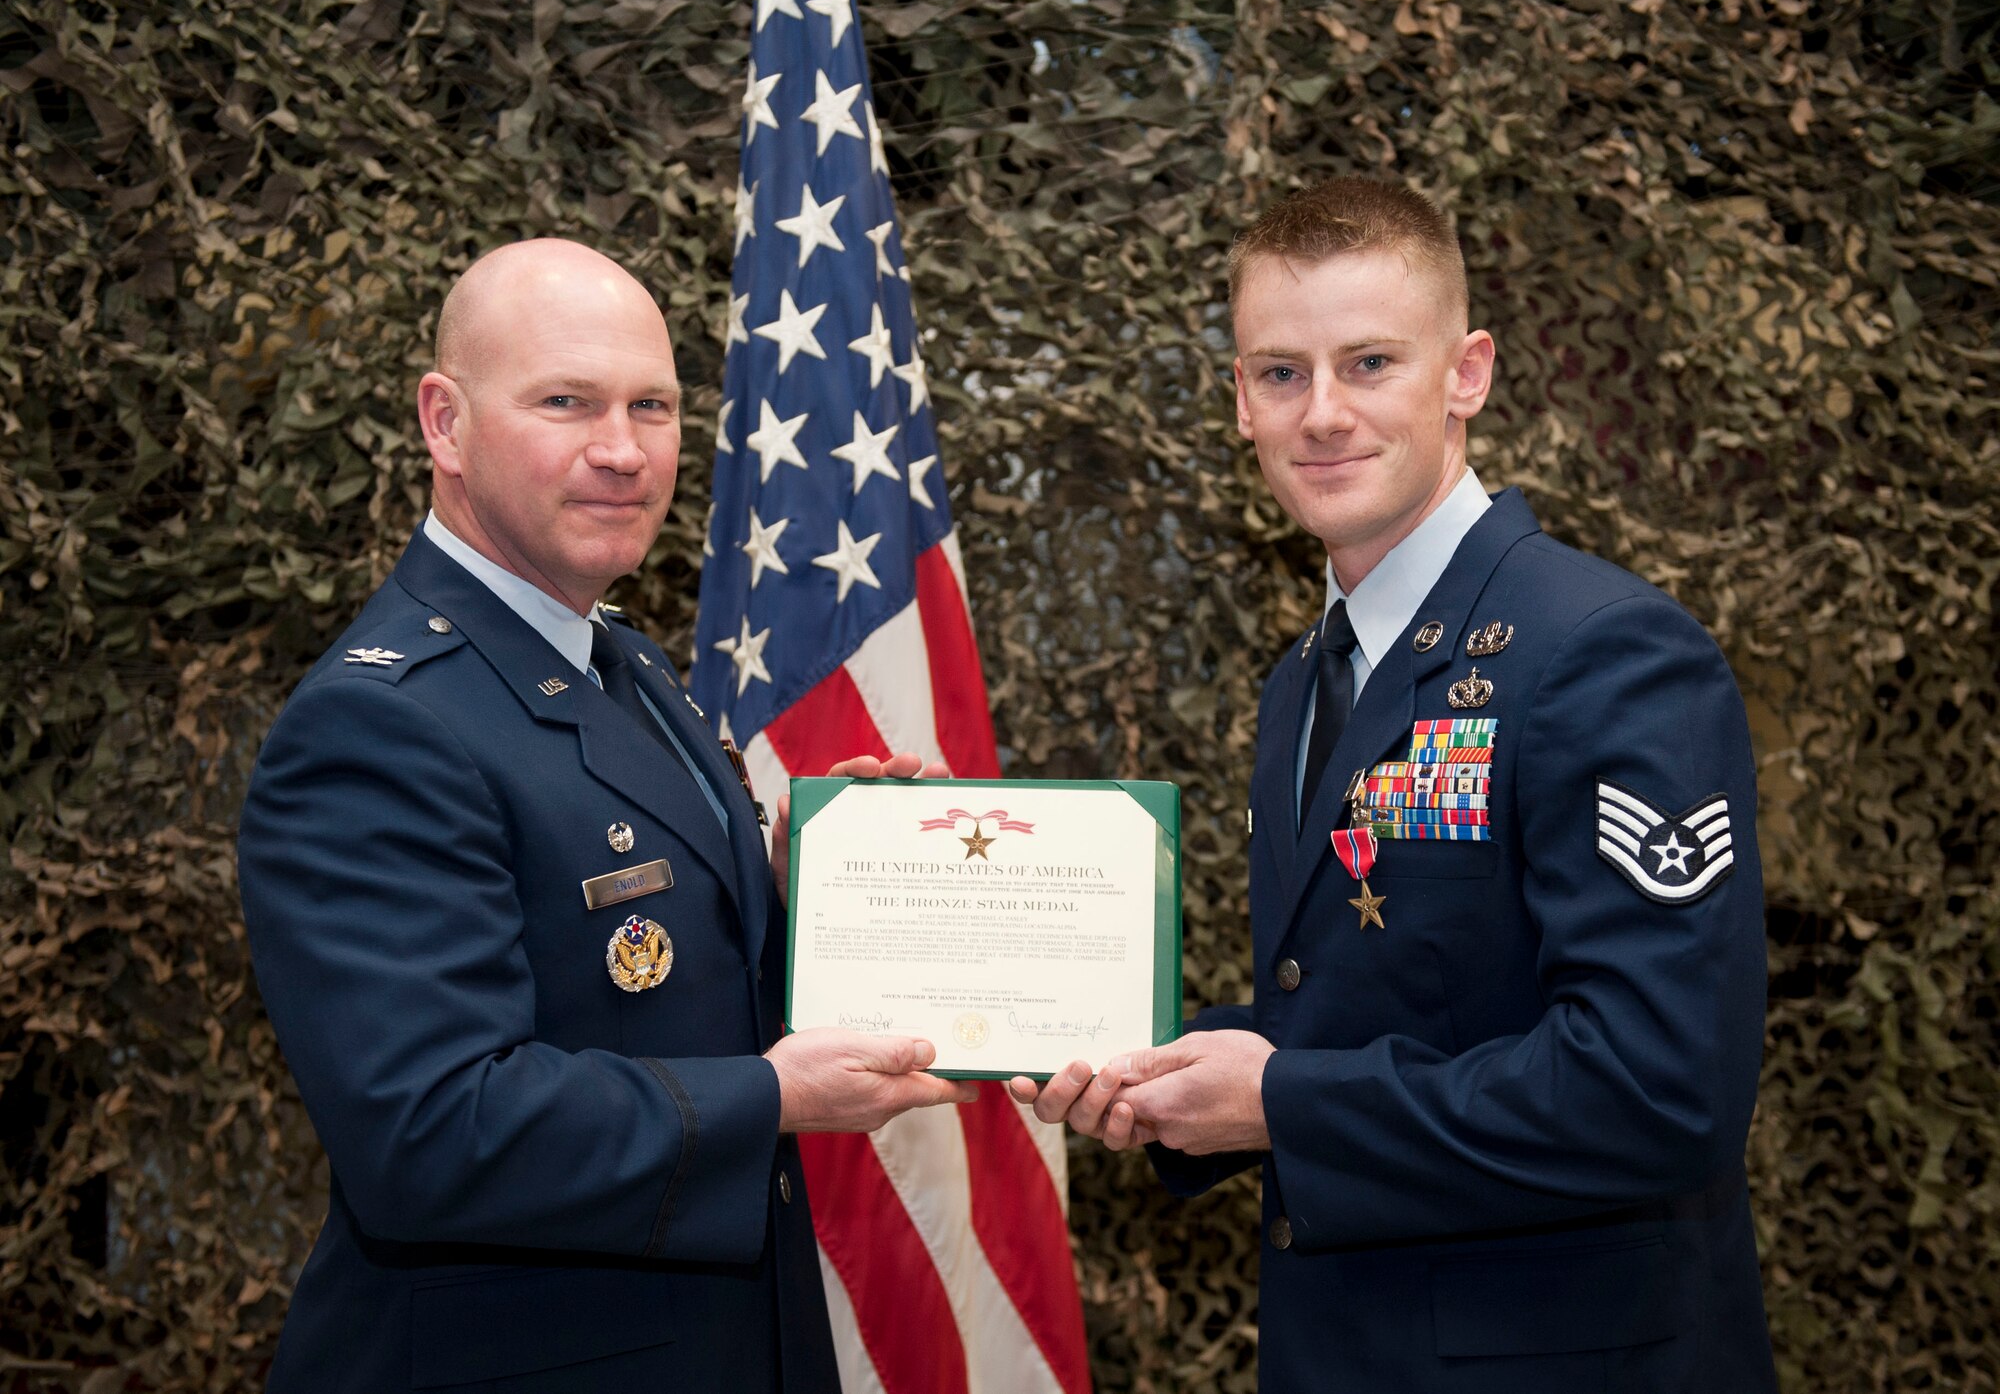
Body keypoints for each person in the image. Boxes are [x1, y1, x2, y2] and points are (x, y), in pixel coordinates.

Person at [1013, 178, 1777, 1392]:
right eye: (1278, 372)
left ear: (1464, 373)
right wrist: (1149, 1063)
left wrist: (1283, 1105)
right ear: (1237, 399)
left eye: (1368, 363)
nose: (1321, 414)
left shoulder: (1604, 651)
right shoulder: (1306, 677)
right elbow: (1360, 1013)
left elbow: (1658, 1087)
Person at [237, 238, 972, 1393]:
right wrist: (777, 1096)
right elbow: (430, 1131)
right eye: (565, 403)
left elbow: (666, 985)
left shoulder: (616, 664)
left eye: (653, 406)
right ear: (445, 424)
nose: (622, 451)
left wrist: (825, 889)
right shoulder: (378, 727)